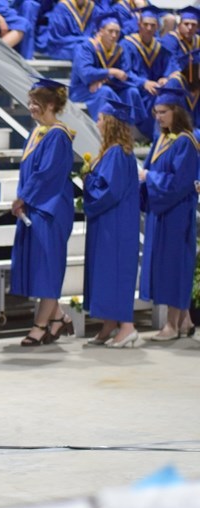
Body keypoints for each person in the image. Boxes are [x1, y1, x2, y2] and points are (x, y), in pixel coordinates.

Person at [10, 77, 76, 346]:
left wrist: (23, 198)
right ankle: (58, 317)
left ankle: (40, 326)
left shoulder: (58, 136)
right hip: (34, 207)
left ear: (50, 104)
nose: (30, 107)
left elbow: (48, 175)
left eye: (35, 103)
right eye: (29, 102)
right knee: (39, 268)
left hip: (50, 209)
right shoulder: (37, 132)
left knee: (48, 268)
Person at [139, 86, 199, 341]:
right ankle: (184, 320)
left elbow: (179, 183)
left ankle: (171, 326)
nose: (158, 117)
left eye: (163, 112)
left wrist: (149, 177)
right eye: (155, 112)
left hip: (176, 212)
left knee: (175, 265)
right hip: (161, 210)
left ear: (176, 112)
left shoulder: (186, 141)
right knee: (166, 265)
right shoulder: (161, 139)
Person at [82, 99, 140, 348]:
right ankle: (109, 324)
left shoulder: (117, 153)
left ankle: (127, 327)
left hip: (115, 224)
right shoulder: (113, 150)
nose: (97, 122)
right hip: (109, 221)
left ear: (111, 123)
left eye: (101, 119)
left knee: (114, 273)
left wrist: (89, 180)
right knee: (105, 273)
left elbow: (110, 191)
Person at [69, 12, 145, 122]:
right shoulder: (86, 47)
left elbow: (124, 75)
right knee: (106, 92)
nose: (114, 35)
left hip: (107, 86)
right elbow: (86, 73)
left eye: (117, 32)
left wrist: (103, 80)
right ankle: (105, 132)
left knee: (131, 91)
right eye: (110, 31)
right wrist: (111, 71)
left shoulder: (119, 50)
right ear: (100, 31)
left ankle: (128, 129)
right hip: (82, 89)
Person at [120, 6, 171, 140]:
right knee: (139, 94)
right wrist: (144, 83)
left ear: (157, 27)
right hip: (135, 87)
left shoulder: (160, 47)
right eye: (145, 24)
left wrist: (165, 78)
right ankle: (155, 137)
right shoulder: (127, 44)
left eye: (152, 25)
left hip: (154, 88)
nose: (149, 28)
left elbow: (170, 67)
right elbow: (125, 72)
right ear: (139, 25)